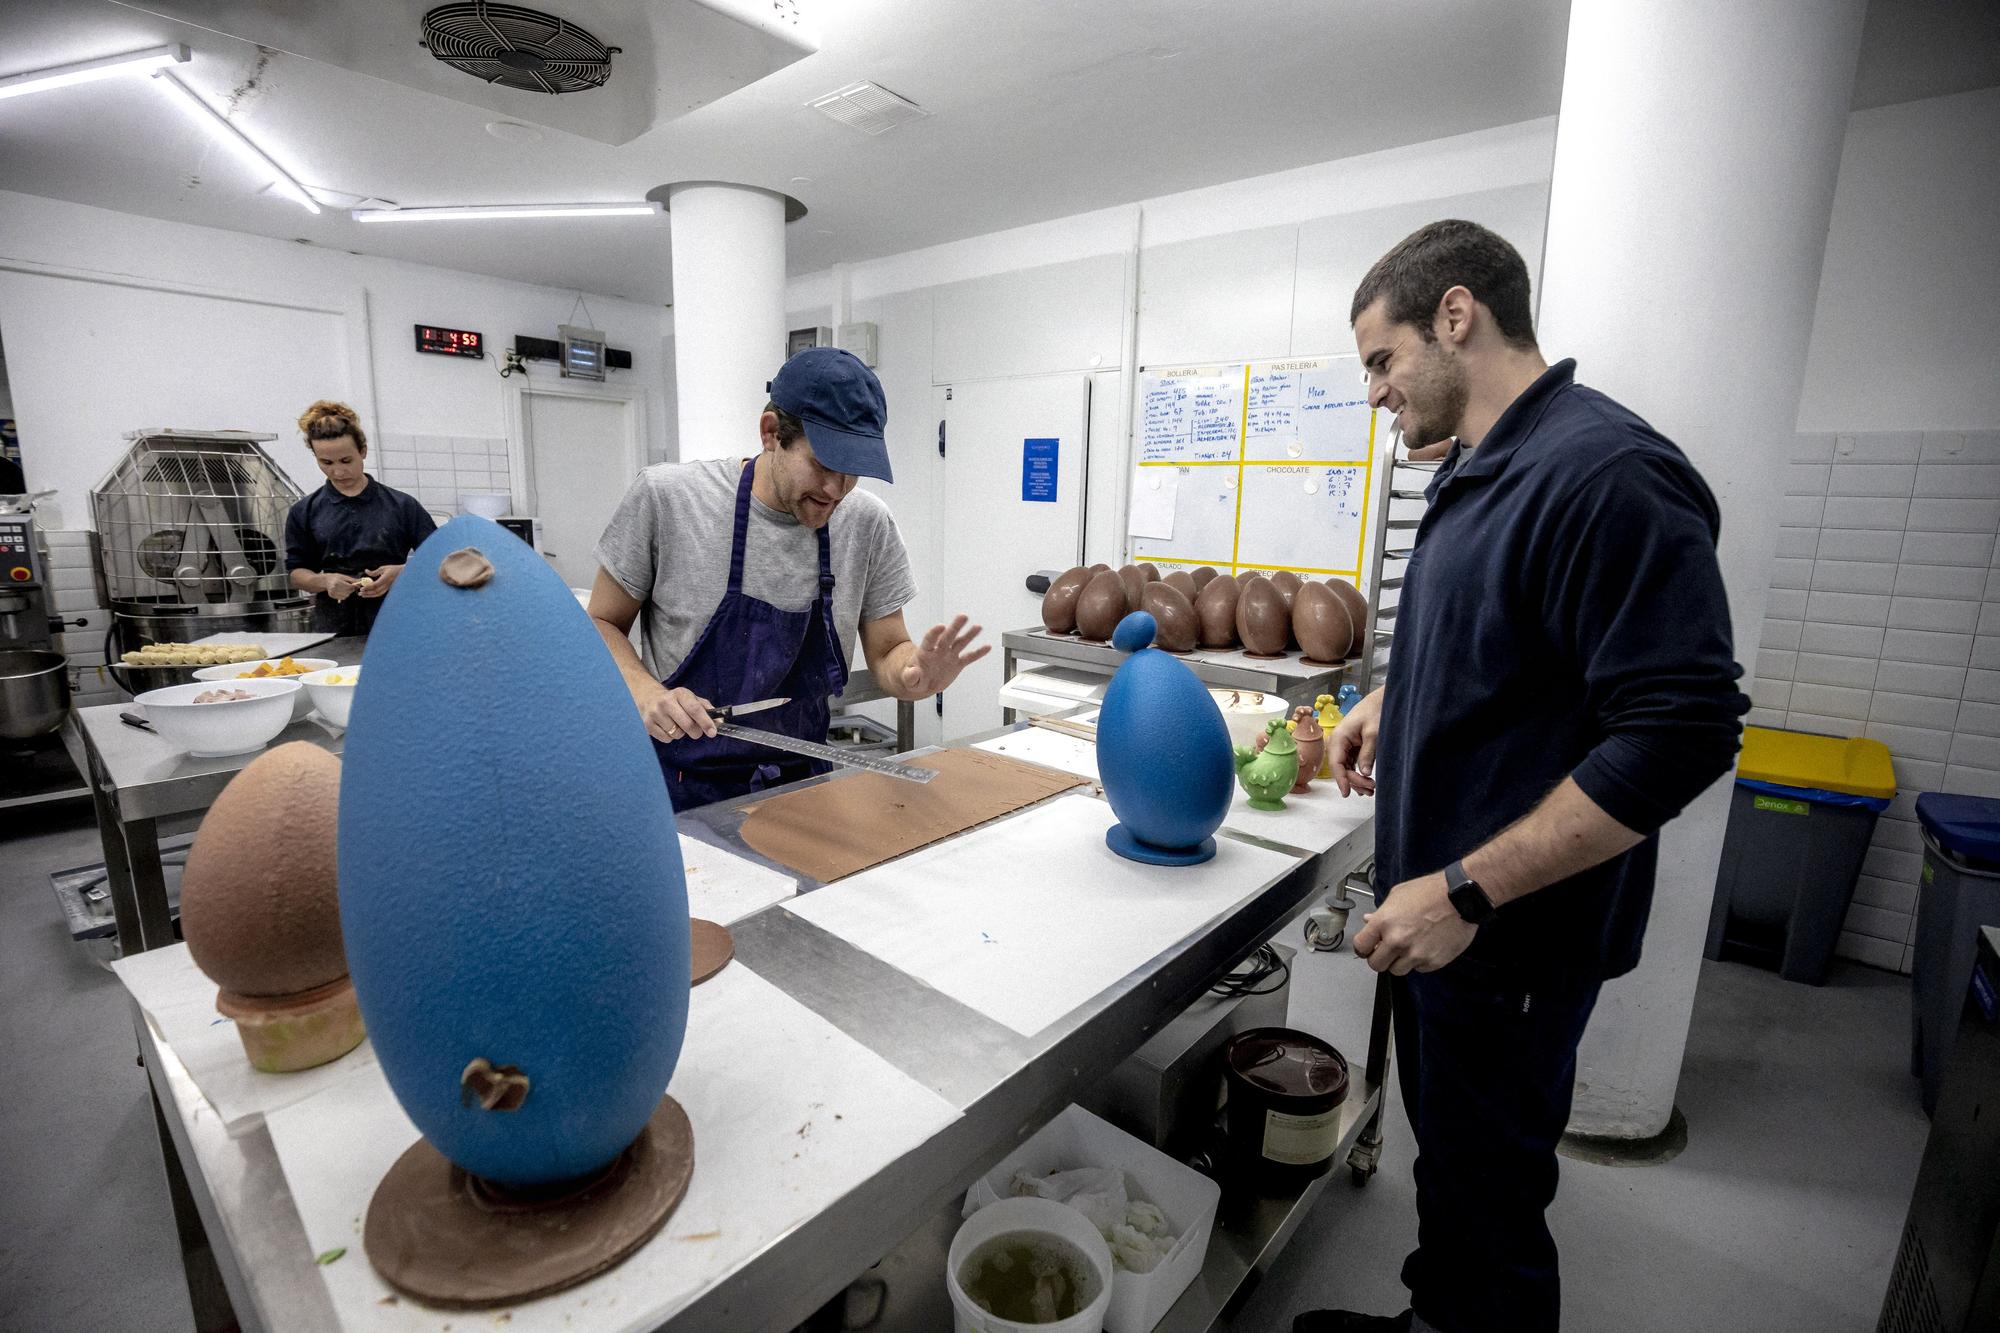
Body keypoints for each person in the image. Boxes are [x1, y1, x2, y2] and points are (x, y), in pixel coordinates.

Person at [1298, 221, 1747, 1333]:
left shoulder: (1603, 473)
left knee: (1492, 1201)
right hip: (1446, 925)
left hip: (1506, 938)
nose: (1371, 394)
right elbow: (1511, 649)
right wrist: (1392, 702)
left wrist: (1461, 893)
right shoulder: (1476, 469)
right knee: (1451, 1174)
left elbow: (1679, 730)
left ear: (1455, 316)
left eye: (1378, 359)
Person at [589, 346, 987, 811]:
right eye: (822, 466)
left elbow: (887, 651)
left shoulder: (867, 523)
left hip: (802, 784)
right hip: (679, 784)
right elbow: (600, 623)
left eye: (852, 473)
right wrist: (645, 694)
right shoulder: (669, 500)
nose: (835, 491)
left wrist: (915, 676)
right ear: (771, 434)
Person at [283, 401, 436, 636]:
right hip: (335, 626)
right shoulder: (305, 511)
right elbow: (297, 573)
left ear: (362, 451)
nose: (338, 471)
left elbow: (441, 559)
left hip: (398, 623)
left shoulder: (402, 505)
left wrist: (403, 571)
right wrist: (326, 582)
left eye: (346, 461)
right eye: (326, 463)